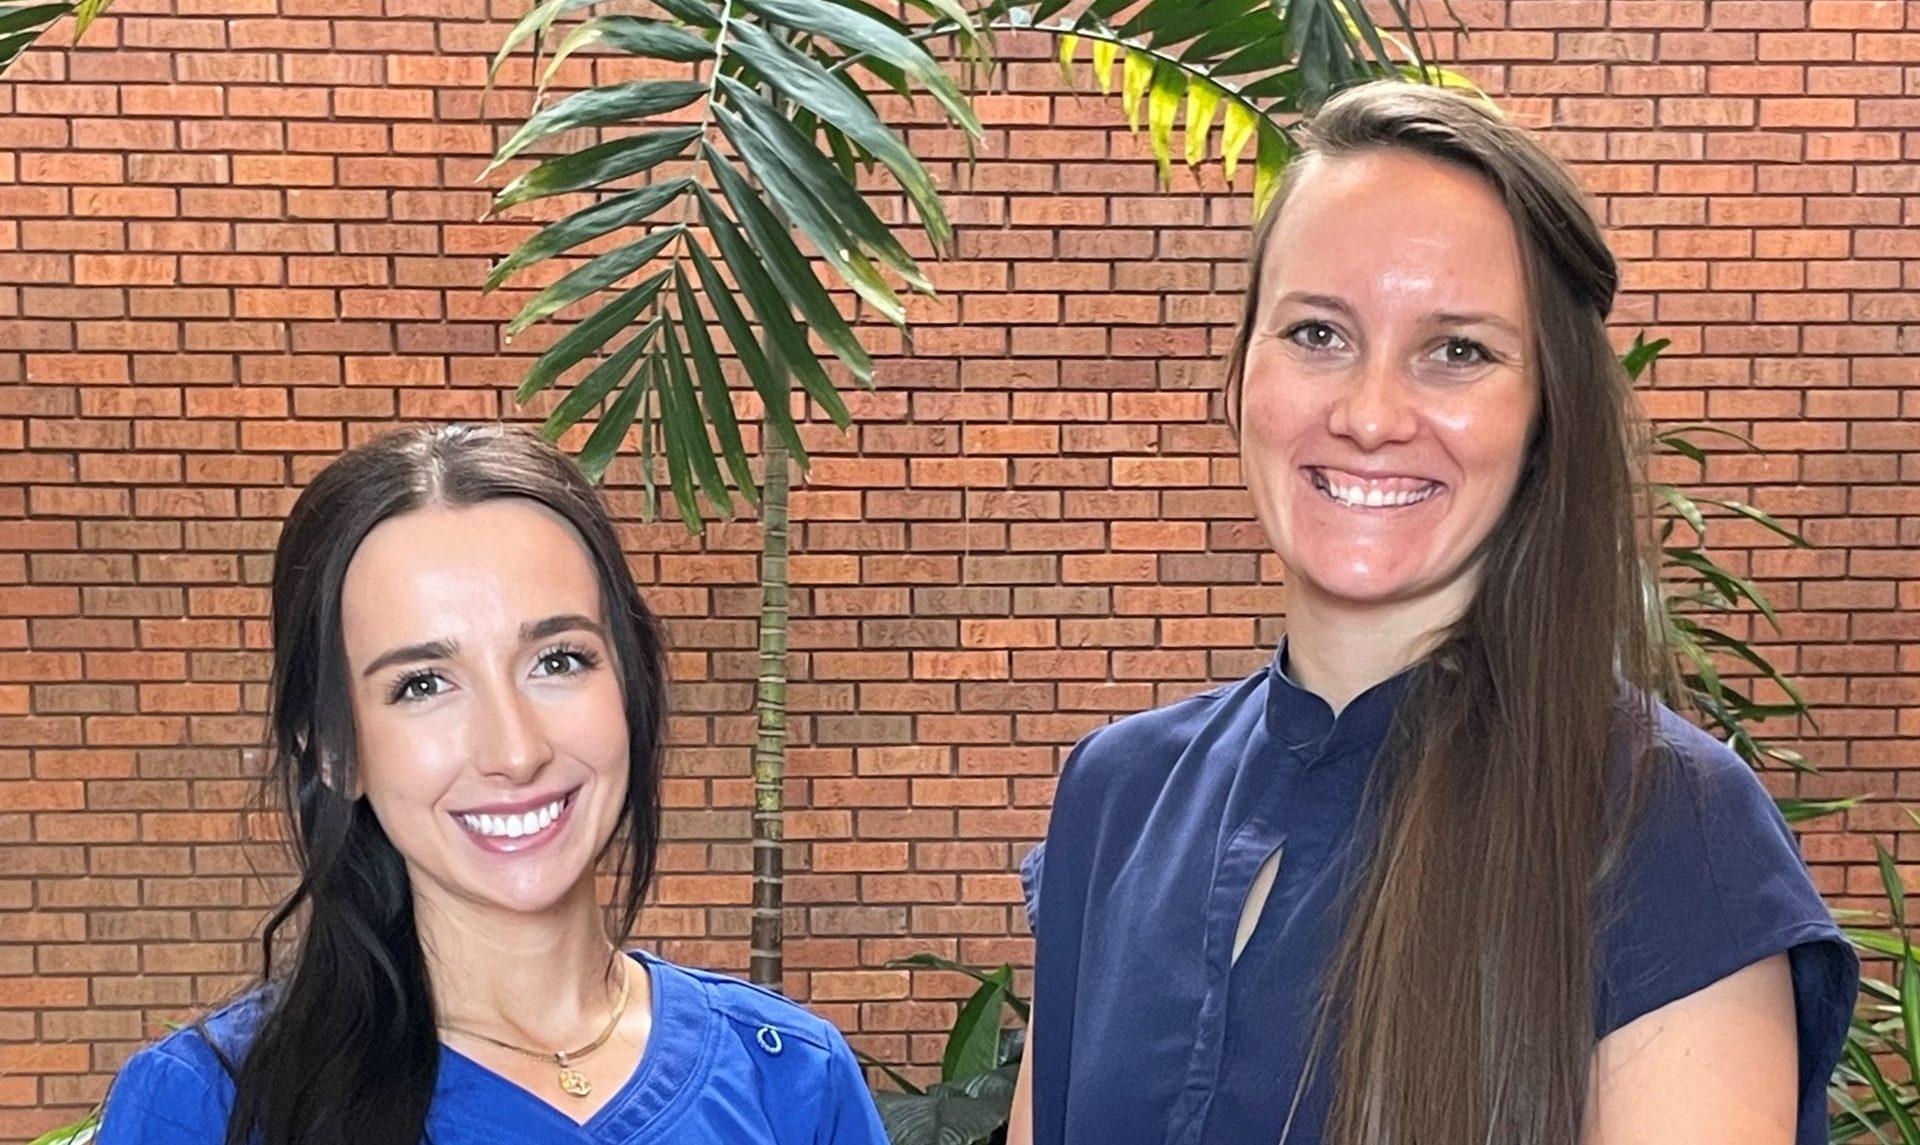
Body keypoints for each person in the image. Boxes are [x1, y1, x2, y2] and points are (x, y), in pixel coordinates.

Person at [1008, 80, 1857, 1145]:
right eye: (1318, 331)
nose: (1370, 414)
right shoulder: (1117, 796)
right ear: (1239, 377)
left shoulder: (1668, 829)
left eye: (1457, 350)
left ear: (1545, 416)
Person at [99, 424, 888, 1144]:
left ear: (631, 682)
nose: (515, 750)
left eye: (559, 660)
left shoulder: (791, 1078)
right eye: (422, 683)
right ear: (334, 747)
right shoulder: (207, 1106)